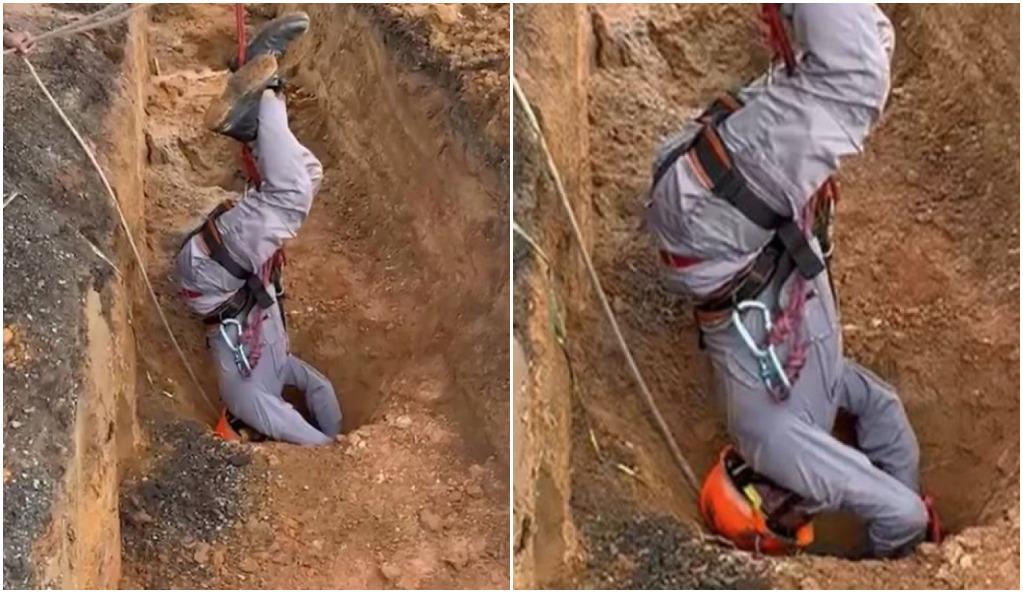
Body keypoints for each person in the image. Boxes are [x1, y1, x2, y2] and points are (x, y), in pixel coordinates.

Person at [645, 4, 937, 557]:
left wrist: (897, 552)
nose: (805, 513)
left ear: (759, 494)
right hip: (722, 212)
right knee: (872, 40)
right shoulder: (809, 406)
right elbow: (881, 408)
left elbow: (900, 516)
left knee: (852, 80)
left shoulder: (772, 440)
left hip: (709, 225)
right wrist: (920, 542)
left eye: (787, 519)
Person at [175, 12, 342, 446]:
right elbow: (320, 390)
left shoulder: (248, 398)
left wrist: (330, 444)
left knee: (288, 197)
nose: (283, 416)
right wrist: (339, 437)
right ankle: (250, 123)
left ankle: (264, 81)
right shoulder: (279, 367)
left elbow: (311, 443)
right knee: (309, 174)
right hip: (224, 272)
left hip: (214, 277)